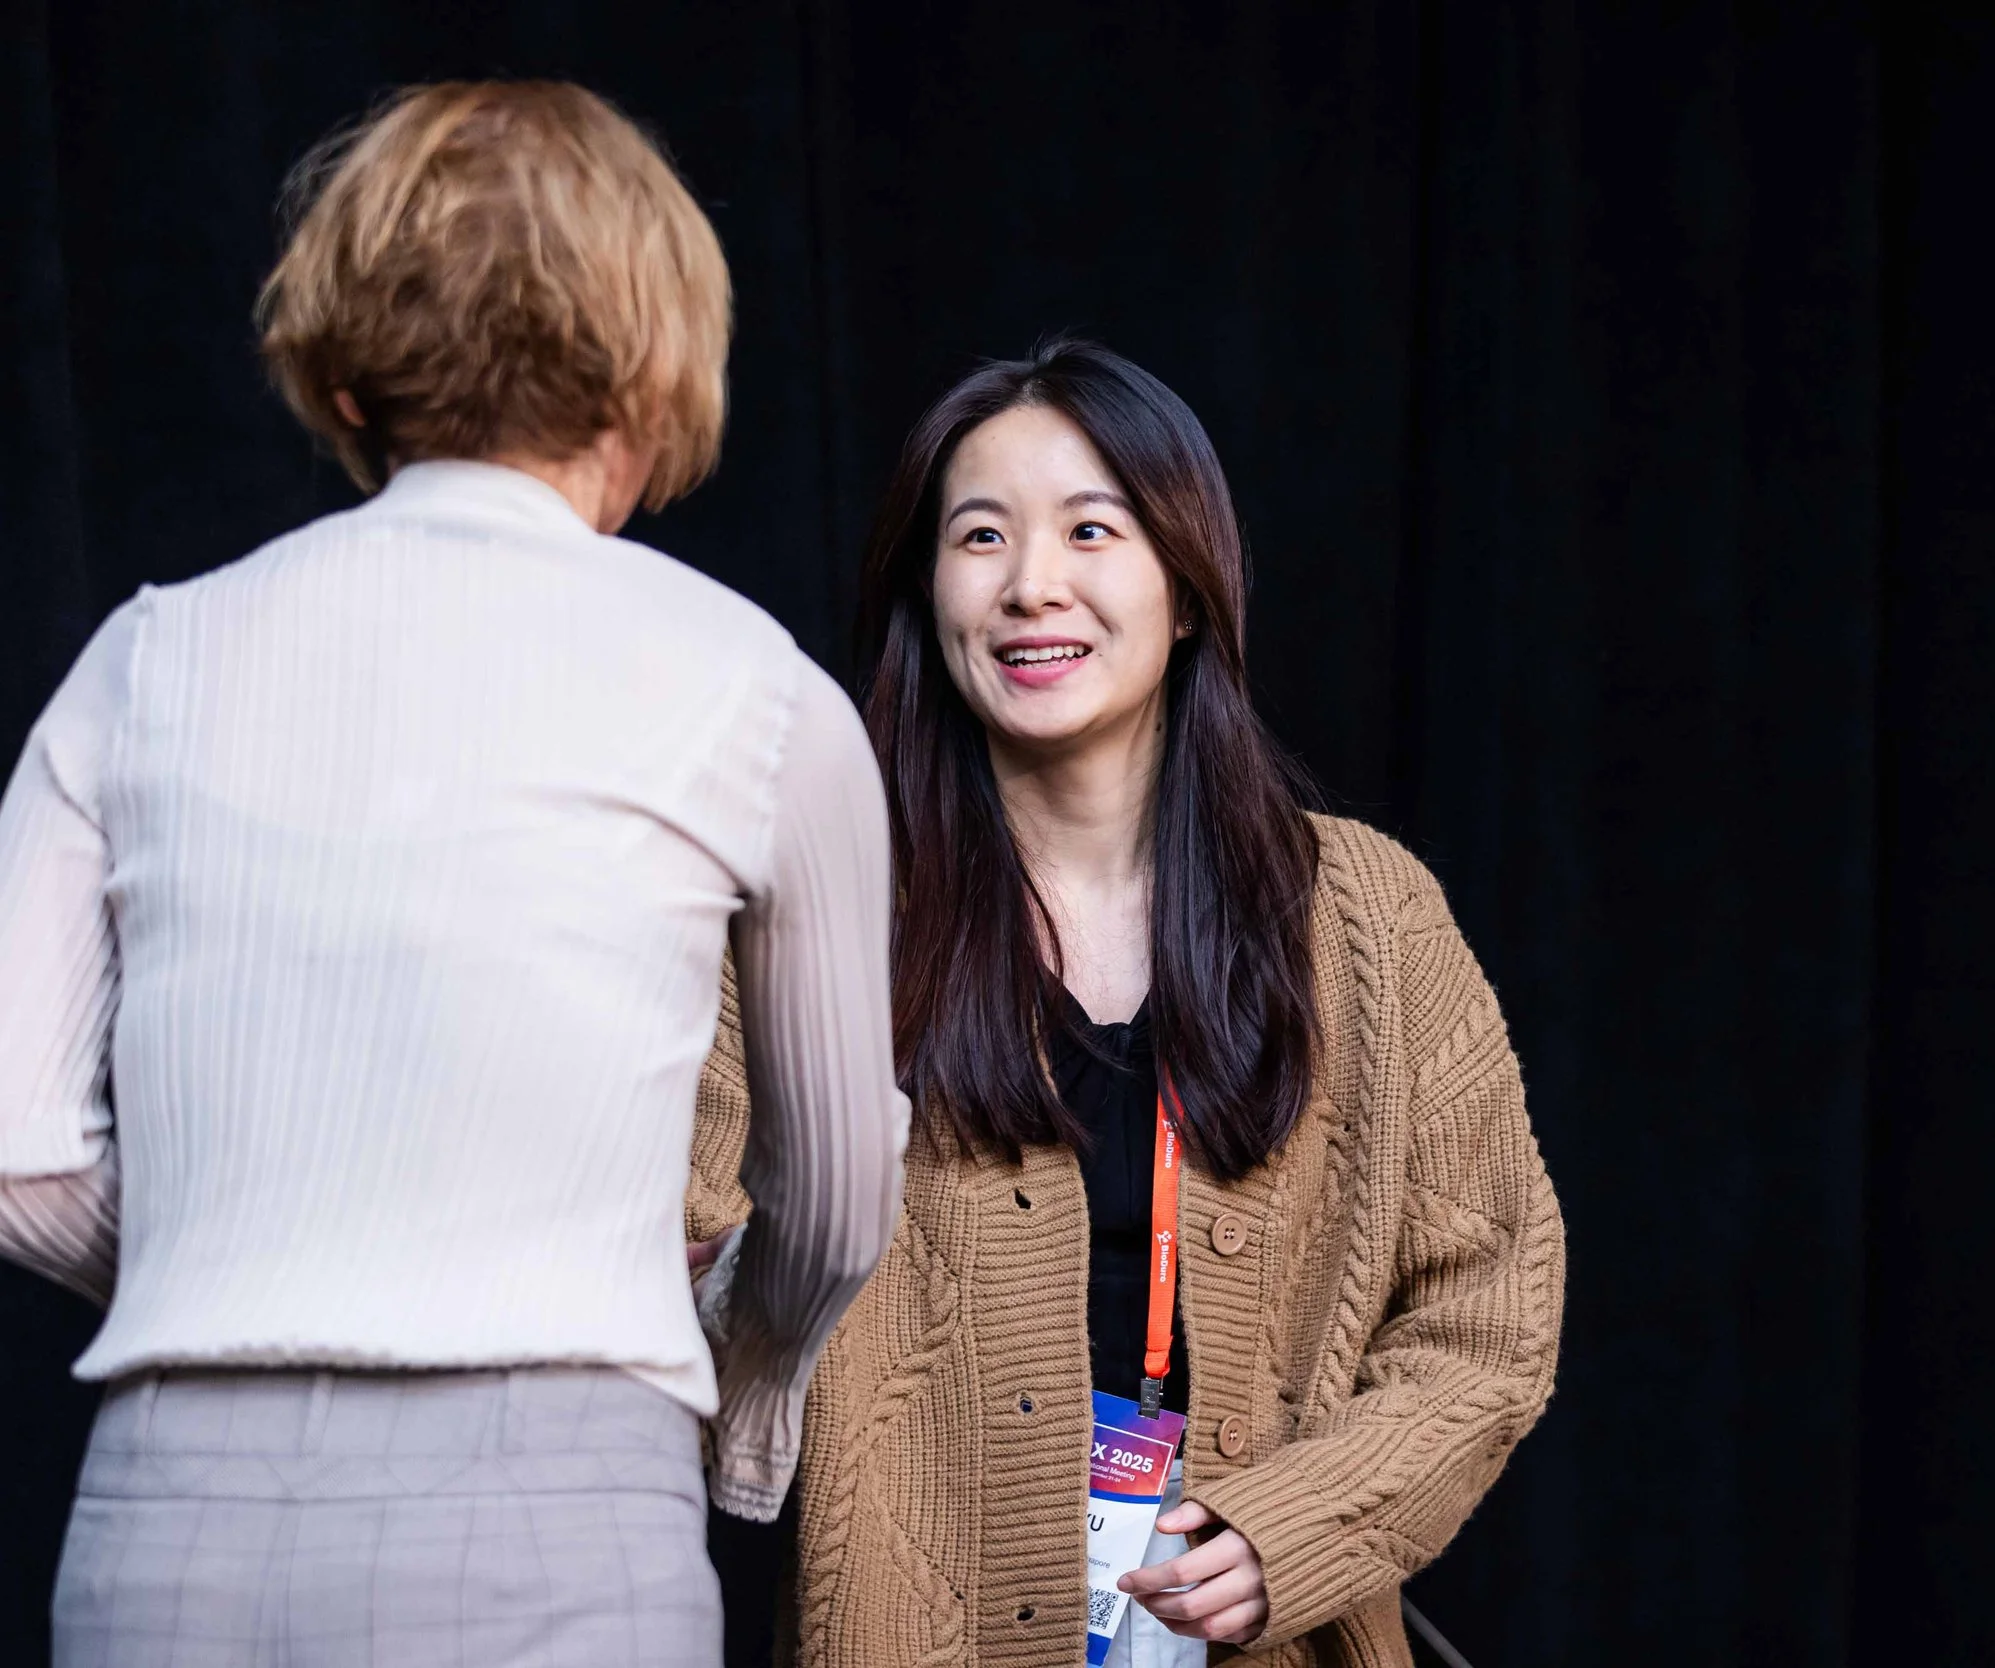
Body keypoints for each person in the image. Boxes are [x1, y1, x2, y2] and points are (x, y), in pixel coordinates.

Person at [0, 81, 908, 1666]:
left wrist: (240, 1278)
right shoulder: (762, 698)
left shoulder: (141, 664)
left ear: (348, 361)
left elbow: (18, 1164)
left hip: (177, 1517)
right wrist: (742, 1373)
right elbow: (833, 1210)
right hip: (561, 1506)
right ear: (656, 361)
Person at [684, 339, 1565, 1668]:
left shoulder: (1369, 918)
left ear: (1189, 589)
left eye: (1091, 529)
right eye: (981, 536)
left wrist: (1297, 1532)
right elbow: (668, 1270)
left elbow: (1490, 1314)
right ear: (929, 591)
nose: (1032, 583)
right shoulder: (811, 918)